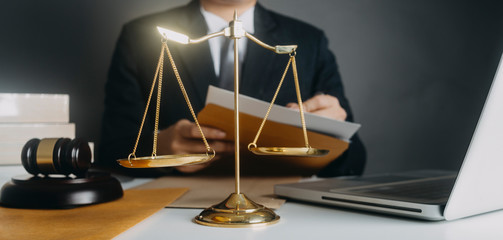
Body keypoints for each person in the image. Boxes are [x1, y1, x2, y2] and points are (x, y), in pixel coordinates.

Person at [99, 0, 366, 177]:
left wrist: (330, 137)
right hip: (172, 208)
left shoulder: (308, 41)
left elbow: (355, 160)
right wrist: (160, 143)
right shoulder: (141, 36)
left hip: (284, 210)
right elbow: (112, 151)